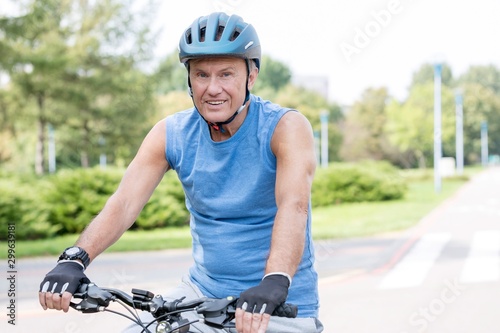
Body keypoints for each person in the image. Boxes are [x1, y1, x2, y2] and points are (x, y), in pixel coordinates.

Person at [39, 12, 323, 333]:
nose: (213, 89)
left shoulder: (285, 127)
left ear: (251, 76)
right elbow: (124, 203)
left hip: (277, 302)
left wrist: (275, 280)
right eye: (201, 75)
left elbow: (294, 205)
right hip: (201, 296)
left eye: (226, 74)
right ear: (189, 79)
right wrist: (75, 258)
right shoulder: (171, 133)